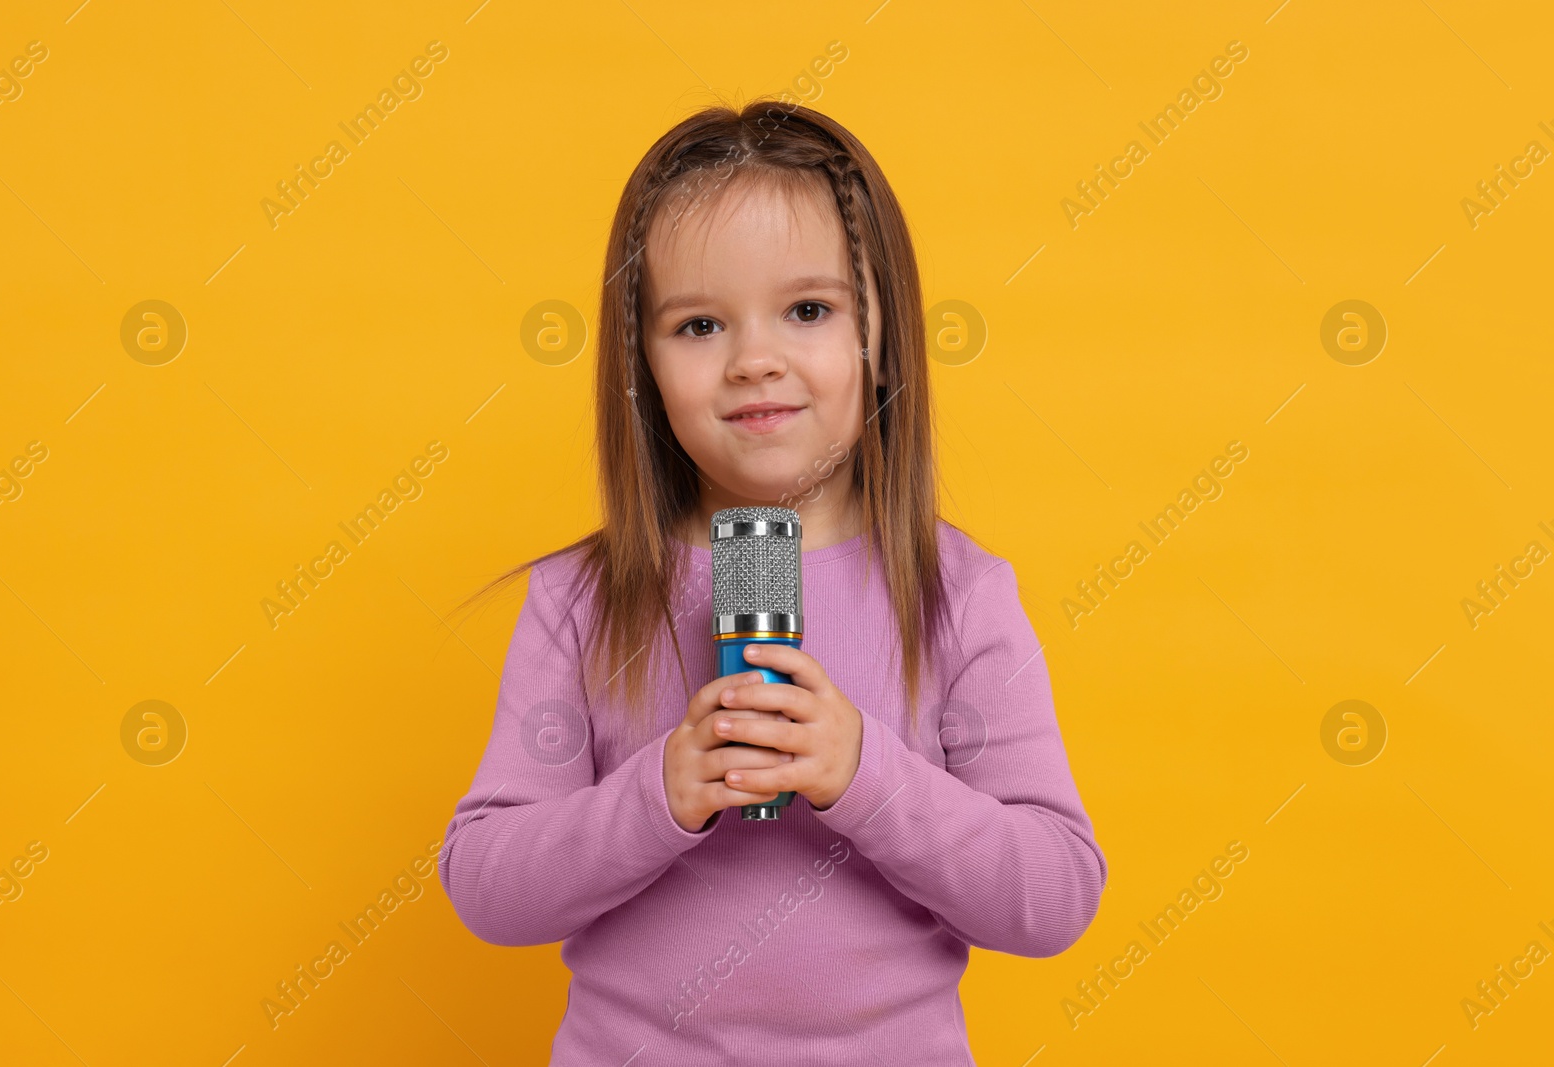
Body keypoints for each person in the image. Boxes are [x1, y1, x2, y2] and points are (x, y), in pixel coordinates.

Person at [440, 99, 1107, 1064]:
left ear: (879, 332)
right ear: (643, 366)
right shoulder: (577, 603)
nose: (756, 361)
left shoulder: (960, 593)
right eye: (700, 323)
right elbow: (487, 888)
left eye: (807, 310)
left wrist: (864, 771)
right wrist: (656, 794)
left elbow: (1053, 895)